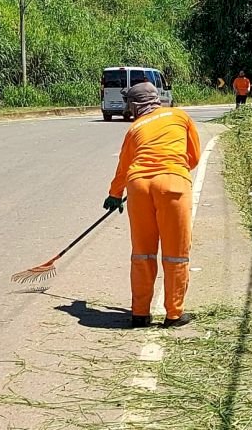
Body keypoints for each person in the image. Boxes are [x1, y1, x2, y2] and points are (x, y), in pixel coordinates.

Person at [103, 82, 201, 328]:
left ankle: (140, 314)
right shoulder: (180, 115)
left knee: (143, 253)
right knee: (176, 255)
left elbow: (124, 166)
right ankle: (174, 315)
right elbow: (194, 156)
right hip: (173, 184)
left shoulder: (135, 128)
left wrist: (115, 194)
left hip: (138, 186)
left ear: (136, 106)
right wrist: (172, 171)